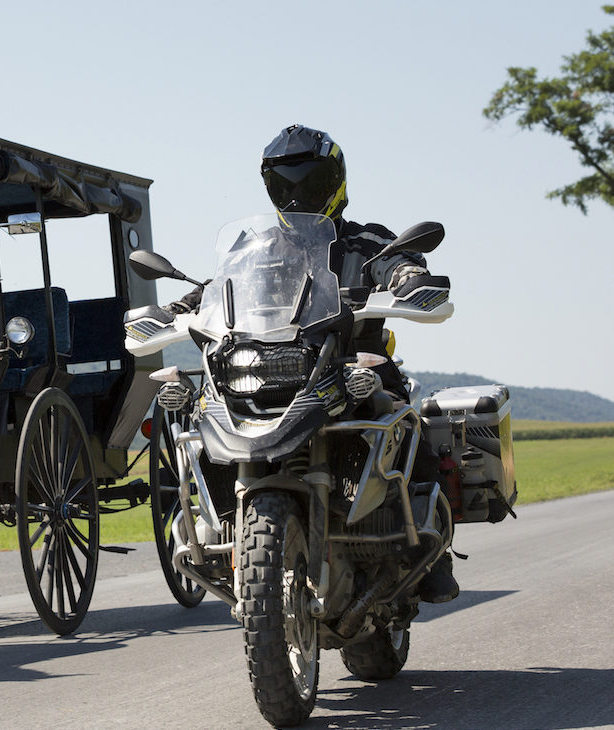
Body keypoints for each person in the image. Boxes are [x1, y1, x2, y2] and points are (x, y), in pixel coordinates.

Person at [167, 123, 459, 603]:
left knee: (402, 415)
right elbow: (218, 287)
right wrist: (181, 307)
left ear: (334, 180)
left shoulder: (367, 241)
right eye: (284, 180)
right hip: (272, 368)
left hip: (350, 365)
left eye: (307, 178)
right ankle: (219, 524)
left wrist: (408, 276)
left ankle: (431, 548)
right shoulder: (256, 249)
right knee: (202, 415)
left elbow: (397, 262)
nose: (296, 190)